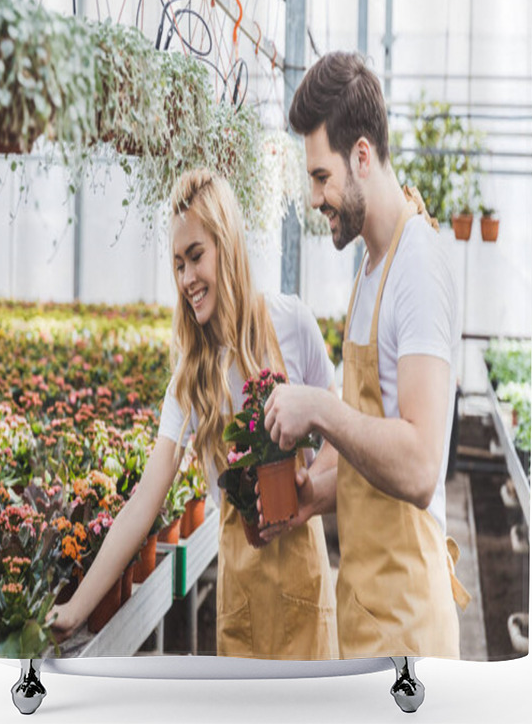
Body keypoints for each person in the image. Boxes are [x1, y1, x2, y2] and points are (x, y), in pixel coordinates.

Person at [50, 168, 337, 660]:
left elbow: (338, 432)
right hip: (240, 600)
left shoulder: (290, 323)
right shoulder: (192, 377)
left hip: (304, 591)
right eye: (178, 264)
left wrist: (305, 496)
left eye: (196, 256)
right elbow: (145, 501)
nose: (186, 279)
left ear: (227, 244)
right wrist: (76, 608)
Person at [262, 52, 470, 660]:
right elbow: (365, 449)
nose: (316, 197)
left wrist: (321, 409)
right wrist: (308, 497)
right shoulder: (372, 266)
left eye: (322, 176)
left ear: (360, 155)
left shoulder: (417, 269)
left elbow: (418, 467)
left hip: (407, 626)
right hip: (366, 614)